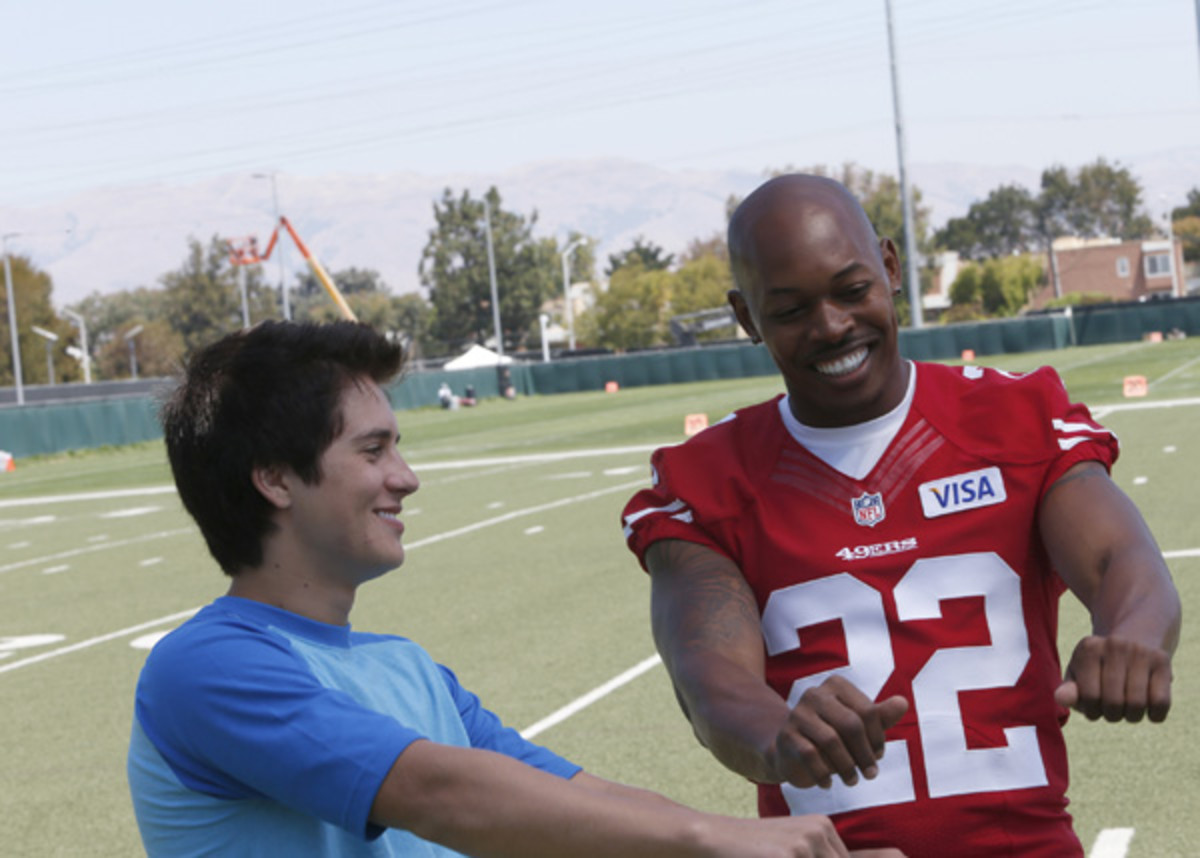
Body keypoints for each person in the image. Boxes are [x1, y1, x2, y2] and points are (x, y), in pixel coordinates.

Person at [127, 319, 903, 858]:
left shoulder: (407, 668)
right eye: (373, 450)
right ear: (273, 479)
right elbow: (439, 793)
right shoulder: (205, 668)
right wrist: (725, 843)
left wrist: (779, 848)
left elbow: (582, 798)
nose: (407, 477)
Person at [620, 174, 1181, 857]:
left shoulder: (1015, 420)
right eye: (792, 310)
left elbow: (1118, 557)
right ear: (746, 317)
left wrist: (1136, 632)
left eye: (852, 291)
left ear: (889, 268)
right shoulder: (710, 481)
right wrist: (778, 735)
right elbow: (709, 676)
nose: (832, 326)